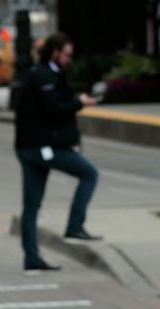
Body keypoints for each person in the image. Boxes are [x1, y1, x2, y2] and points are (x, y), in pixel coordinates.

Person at [12, 33, 100, 273]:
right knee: (89, 173)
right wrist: (80, 103)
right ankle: (74, 226)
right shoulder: (44, 76)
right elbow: (54, 109)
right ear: (55, 53)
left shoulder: (44, 74)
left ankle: (32, 257)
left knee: (31, 205)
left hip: (31, 148)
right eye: (67, 55)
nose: (69, 60)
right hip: (41, 149)